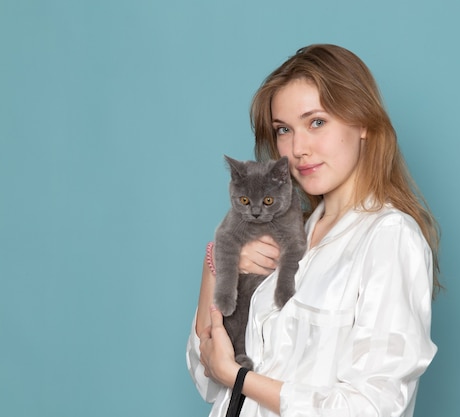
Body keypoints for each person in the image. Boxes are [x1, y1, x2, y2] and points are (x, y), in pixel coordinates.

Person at [186, 44, 441, 417]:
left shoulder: (389, 237)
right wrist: (218, 264)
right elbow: (208, 376)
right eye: (284, 130)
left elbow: (374, 406)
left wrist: (241, 378)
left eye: (316, 122)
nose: (297, 148)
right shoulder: (284, 238)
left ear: (363, 121)